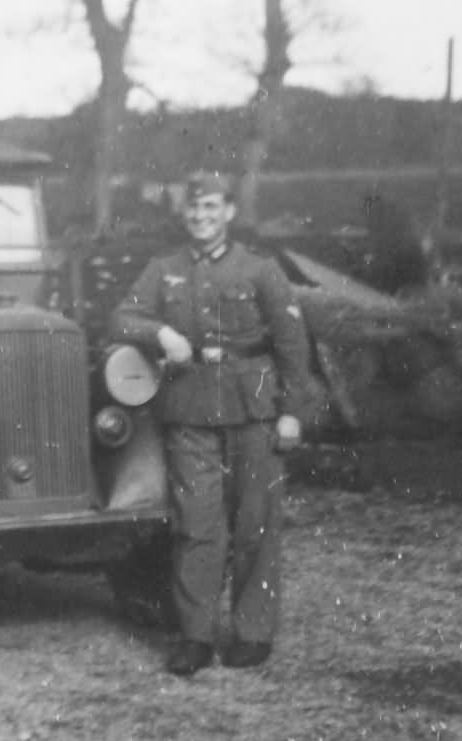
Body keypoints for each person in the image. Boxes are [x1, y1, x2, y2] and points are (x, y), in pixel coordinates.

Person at [109, 171, 312, 676]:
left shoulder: (260, 270)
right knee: (196, 526)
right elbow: (122, 319)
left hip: (255, 409)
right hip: (189, 409)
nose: (201, 217)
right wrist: (161, 333)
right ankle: (195, 636)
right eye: (193, 209)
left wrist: (291, 413)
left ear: (229, 213)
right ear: (185, 214)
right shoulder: (165, 268)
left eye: (211, 208)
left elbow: (292, 345)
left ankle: (253, 632)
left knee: (255, 524)